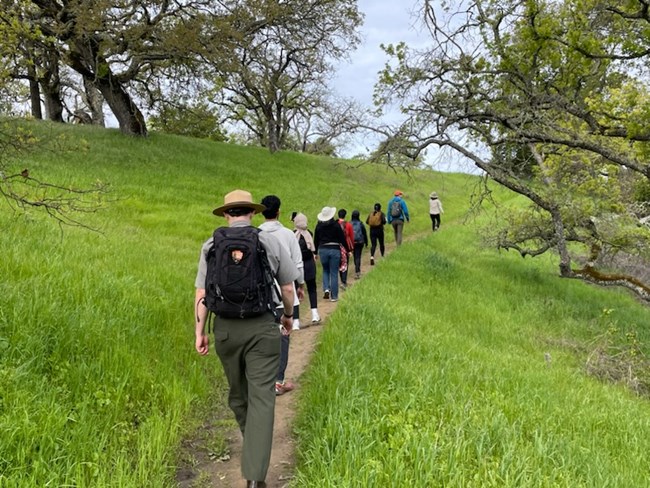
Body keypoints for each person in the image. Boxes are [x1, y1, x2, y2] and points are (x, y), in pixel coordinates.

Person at [194, 189, 299, 488]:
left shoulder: (211, 245)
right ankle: (255, 475)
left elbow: (202, 294)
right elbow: (288, 288)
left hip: (225, 330)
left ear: (226, 214)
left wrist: (199, 331)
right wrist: (288, 316)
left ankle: (254, 464)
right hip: (263, 329)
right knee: (262, 400)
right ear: (252, 212)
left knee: (239, 397)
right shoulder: (270, 241)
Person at [259, 195, 305, 396]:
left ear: (261, 211)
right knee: (283, 336)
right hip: (286, 292)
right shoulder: (288, 235)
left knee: (262, 336)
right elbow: (298, 263)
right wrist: (300, 284)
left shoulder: (256, 234)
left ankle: (262, 380)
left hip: (261, 295)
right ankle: (278, 381)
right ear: (278, 211)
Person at [292, 212, 322, 325]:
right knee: (312, 289)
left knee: (295, 292)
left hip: (295, 265)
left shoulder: (292, 234)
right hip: (309, 264)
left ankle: (295, 320)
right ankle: (314, 313)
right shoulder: (309, 233)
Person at [314, 206, 347, 302]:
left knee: (325, 270)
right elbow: (342, 238)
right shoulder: (336, 225)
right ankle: (334, 296)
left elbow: (316, 240)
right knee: (334, 272)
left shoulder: (318, 226)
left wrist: (315, 252)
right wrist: (348, 250)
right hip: (334, 249)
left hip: (323, 249)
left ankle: (326, 289)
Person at [336, 208, 354, 289]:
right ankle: (344, 281)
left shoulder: (335, 224)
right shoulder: (348, 225)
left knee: (339, 263)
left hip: (336, 246)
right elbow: (351, 236)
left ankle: (342, 280)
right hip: (346, 246)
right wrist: (350, 249)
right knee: (345, 263)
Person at [350, 210, 368, 279]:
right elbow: (364, 233)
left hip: (352, 242)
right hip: (360, 242)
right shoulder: (360, 224)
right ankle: (357, 271)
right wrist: (366, 242)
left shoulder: (349, 223)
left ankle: (356, 268)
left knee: (355, 256)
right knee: (358, 256)